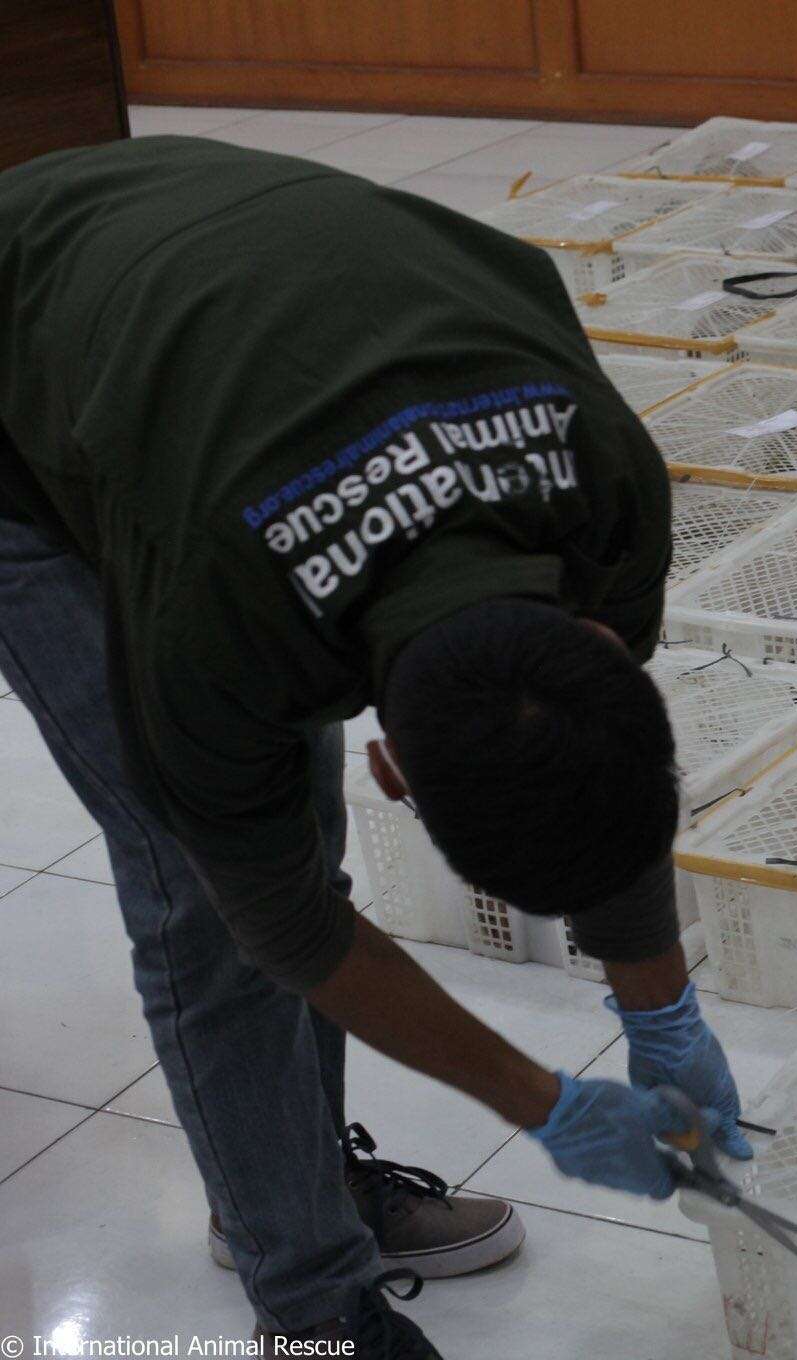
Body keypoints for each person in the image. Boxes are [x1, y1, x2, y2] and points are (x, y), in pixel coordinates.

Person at [0, 137, 750, 1358]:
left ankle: (294, 1183)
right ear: (391, 761)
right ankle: (305, 1298)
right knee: (201, 889)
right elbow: (283, 924)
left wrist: (662, 1012)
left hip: (226, 297)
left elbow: (589, 759)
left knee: (284, 840)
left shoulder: (607, 489)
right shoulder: (214, 627)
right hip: (27, 372)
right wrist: (545, 1103)